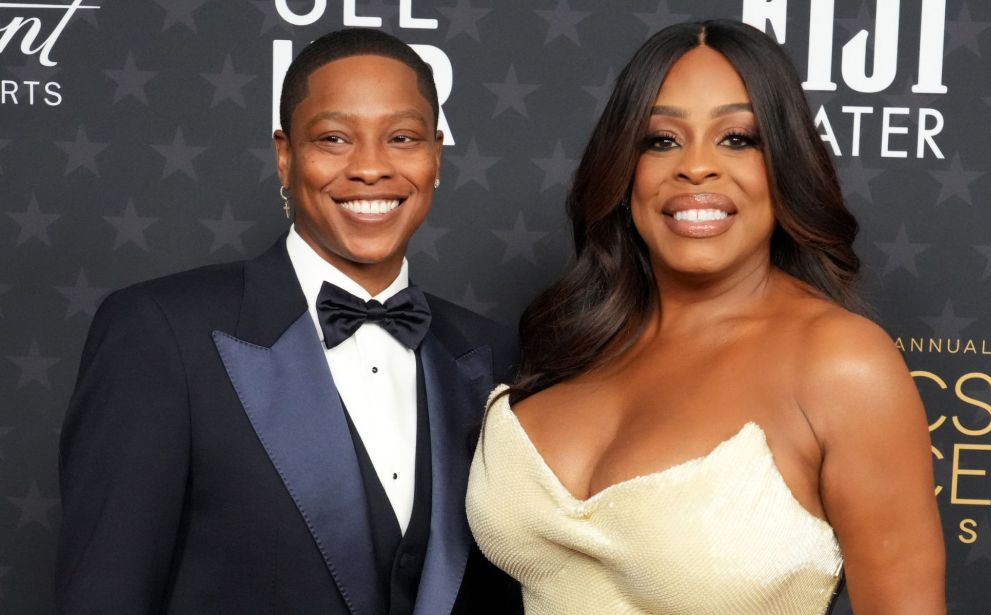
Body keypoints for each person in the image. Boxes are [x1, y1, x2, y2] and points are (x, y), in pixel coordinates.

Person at [467, 19, 945, 615]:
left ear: (786, 165)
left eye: (738, 138)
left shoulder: (842, 363)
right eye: (661, 140)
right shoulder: (572, 338)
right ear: (624, 169)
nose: (696, 167)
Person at [57, 29, 521, 615]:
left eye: (402, 138)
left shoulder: (495, 355)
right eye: (334, 138)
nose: (371, 168)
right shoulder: (160, 332)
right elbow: (105, 592)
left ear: (436, 157)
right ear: (285, 156)